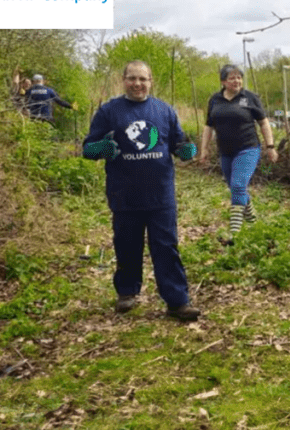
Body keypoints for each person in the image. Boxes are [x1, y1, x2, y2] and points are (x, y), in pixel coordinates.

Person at [82, 60, 200, 320]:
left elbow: (178, 143)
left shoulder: (164, 111)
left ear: (151, 81)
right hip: (124, 194)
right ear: (123, 80)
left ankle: (178, 301)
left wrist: (185, 151)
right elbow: (87, 149)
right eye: (132, 78)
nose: (137, 84)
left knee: (166, 247)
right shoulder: (109, 111)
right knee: (126, 245)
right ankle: (127, 293)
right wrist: (103, 148)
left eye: (143, 79)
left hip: (161, 195)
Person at [198, 64, 279, 239]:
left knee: (238, 186)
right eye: (232, 78)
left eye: (239, 77)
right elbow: (208, 126)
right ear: (223, 82)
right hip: (226, 151)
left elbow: (264, 123)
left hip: (248, 148)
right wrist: (204, 149)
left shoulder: (250, 98)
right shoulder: (214, 100)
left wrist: (270, 146)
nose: (237, 81)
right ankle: (253, 224)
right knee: (236, 189)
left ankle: (234, 233)